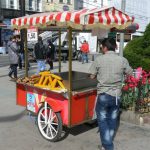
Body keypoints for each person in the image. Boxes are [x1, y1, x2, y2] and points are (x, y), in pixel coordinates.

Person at [89, 38, 133, 150]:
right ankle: (105, 145)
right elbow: (130, 73)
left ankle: (108, 147)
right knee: (113, 119)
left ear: (104, 47)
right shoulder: (122, 60)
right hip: (116, 95)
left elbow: (92, 76)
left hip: (103, 94)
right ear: (115, 47)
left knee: (102, 121)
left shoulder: (99, 60)